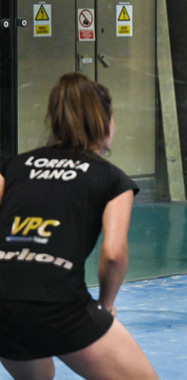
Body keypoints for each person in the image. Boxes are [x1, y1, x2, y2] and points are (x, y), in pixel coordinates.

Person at [0, 73, 159, 379]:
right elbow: (113, 253)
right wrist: (106, 305)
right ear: (105, 121)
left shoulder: (12, 166)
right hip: (57, 303)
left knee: (38, 374)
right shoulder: (113, 178)